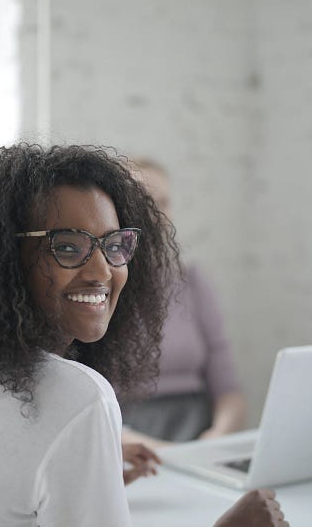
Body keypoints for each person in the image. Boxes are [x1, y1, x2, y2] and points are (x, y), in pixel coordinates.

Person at [0, 144, 286, 526]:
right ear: (2, 260)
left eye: (114, 245)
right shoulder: (77, 396)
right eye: (67, 247)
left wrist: (84, 474)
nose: (102, 271)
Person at [122, 159, 246, 448]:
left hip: (198, 430)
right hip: (132, 437)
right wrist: (168, 454)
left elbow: (229, 390)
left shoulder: (191, 279)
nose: (154, 214)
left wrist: (217, 437)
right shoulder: (97, 288)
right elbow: (92, 410)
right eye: (143, 202)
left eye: (162, 203)